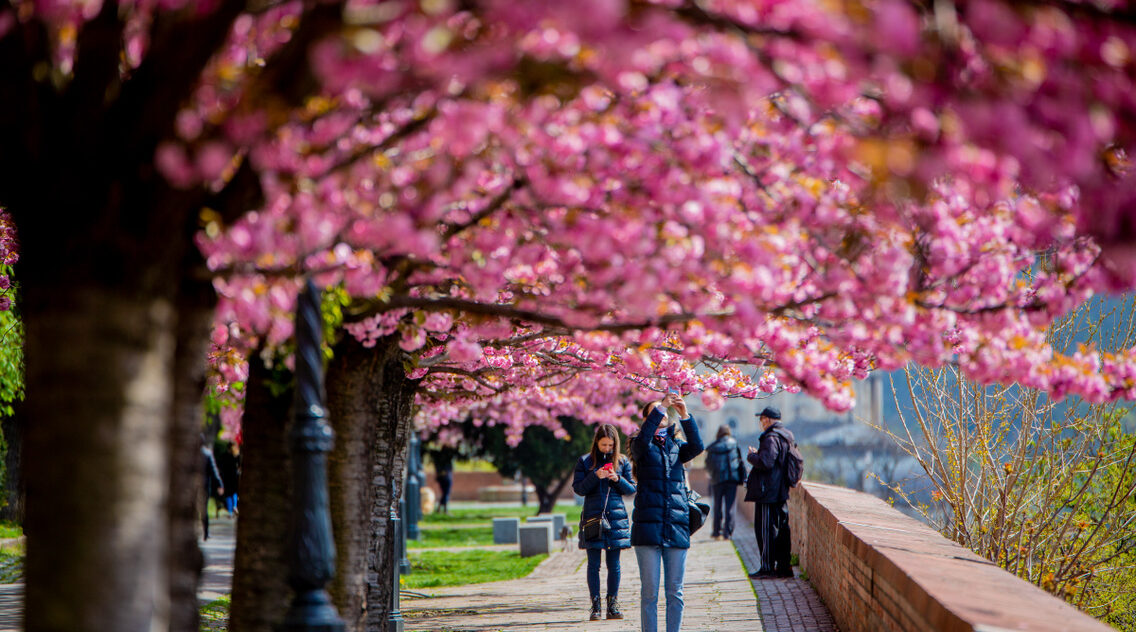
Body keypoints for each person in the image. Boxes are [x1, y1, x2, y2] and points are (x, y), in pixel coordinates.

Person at [630, 392, 704, 632]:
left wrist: (684, 415)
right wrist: (661, 406)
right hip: (647, 527)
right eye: (653, 413)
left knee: (675, 592)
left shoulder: (676, 445)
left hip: (676, 524)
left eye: (662, 413)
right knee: (649, 593)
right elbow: (642, 441)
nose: (660, 416)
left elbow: (697, 447)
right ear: (646, 419)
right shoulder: (639, 444)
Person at [572, 424, 636, 621]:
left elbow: (631, 489)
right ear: (596, 443)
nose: (607, 448)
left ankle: (613, 604)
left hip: (615, 519)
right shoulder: (585, 461)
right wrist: (595, 476)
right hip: (593, 518)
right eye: (603, 444)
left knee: (614, 564)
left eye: (610, 445)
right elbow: (579, 489)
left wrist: (617, 479)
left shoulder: (623, 461)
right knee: (593, 564)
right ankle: (595, 605)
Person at [744, 406, 795, 579]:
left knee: (766, 531)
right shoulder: (786, 435)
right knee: (781, 530)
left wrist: (752, 456)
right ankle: (783, 567)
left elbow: (766, 462)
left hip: (768, 492)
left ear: (767, 419)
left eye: (762, 419)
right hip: (780, 490)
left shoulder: (771, 438)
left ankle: (767, 568)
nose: (761, 423)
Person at [704, 425, 745, 540]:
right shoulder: (734, 444)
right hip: (732, 479)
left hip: (717, 479)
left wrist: (713, 473)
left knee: (717, 505)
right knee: (730, 506)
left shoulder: (713, 447)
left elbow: (708, 464)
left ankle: (716, 531)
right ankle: (728, 532)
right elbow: (740, 461)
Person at [200, 438, 224, 541]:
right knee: (204, 510)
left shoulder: (189, 455)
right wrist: (219, 484)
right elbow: (214, 471)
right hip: (204, 487)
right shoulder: (208, 454)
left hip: (191, 487)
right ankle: (206, 533)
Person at [216, 441, 241, 517]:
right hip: (234, 476)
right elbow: (239, 465)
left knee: (228, 494)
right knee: (234, 492)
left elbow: (220, 466)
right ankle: (235, 506)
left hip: (226, 477)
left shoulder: (223, 456)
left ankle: (230, 511)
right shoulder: (236, 455)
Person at [433, 449, 454, 514]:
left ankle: (440, 509)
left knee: (444, 494)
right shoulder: (447, 460)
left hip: (442, 478)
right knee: (445, 494)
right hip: (446, 478)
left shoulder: (438, 459)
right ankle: (443, 509)